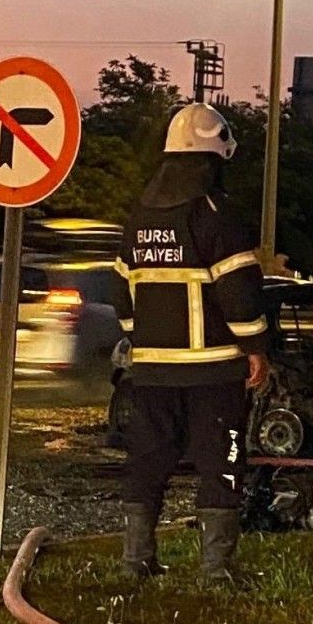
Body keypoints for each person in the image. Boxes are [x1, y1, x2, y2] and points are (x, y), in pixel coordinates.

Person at [109, 102, 271, 581]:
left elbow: (122, 291)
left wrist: (142, 342)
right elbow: (239, 292)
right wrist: (257, 348)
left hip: (152, 371)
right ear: (213, 157)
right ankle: (215, 569)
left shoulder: (139, 215)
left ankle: (134, 562)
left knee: (147, 461)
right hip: (214, 370)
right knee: (220, 461)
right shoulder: (216, 214)